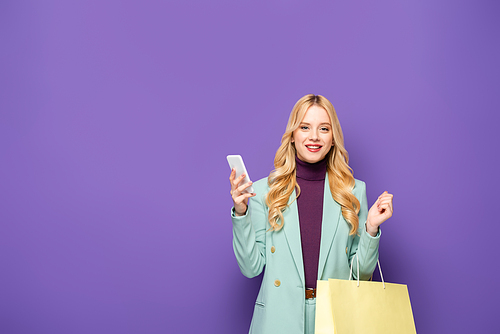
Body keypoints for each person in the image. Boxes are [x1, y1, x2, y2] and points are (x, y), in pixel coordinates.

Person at [229, 94, 394, 334]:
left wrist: (371, 229)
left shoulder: (354, 191)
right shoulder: (266, 191)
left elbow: (361, 274)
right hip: (278, 317)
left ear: (333, 139)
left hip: (334, 317)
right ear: (293, 136)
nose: (314, 136)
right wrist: (241, 212)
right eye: (305, 127)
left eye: (324, 129)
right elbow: (250, 267)